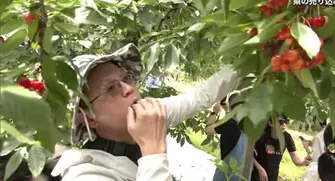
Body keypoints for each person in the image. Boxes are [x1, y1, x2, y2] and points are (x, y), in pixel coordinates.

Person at [50, 43, 241, 180]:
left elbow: (198, 98)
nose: (128, 88)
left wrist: (248, 61)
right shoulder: (86, 175)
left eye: (126, 79)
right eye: (110, 88)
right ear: (89, 119)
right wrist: (153, 151)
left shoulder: (146, 116)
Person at [251, 112, 311, 181]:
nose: (284, 124)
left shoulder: (287, 138)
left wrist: (306, 159)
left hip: (273, 175)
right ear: (271, 123)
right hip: (256, 173)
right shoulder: (261, 135)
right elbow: (249, 154)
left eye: (286, 121)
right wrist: (259, 169)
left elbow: (296, 160)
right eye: (281, 122)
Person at [205, 92, 249, 181]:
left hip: (224, 175)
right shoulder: (247, 126)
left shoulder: (229, 124)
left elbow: (208, 130)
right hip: (239, 175)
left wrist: (214, 112)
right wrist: (226, 107)